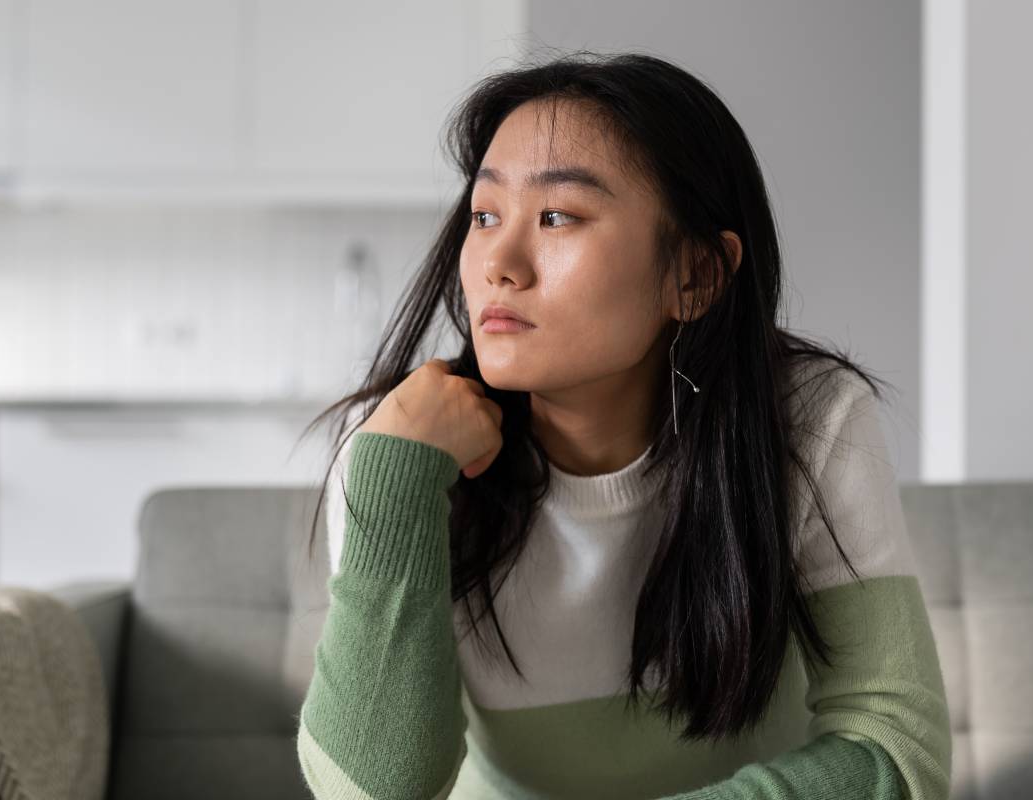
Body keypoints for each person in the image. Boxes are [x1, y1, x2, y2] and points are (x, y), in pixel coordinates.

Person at [294, 50, 950, 799]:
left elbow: (898, 753)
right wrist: (394, 485)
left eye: (556, 217)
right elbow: (373, 793)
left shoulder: (805, 419)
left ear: (694, 275)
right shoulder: (403, 448)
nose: (498, 265)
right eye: (484, 215)